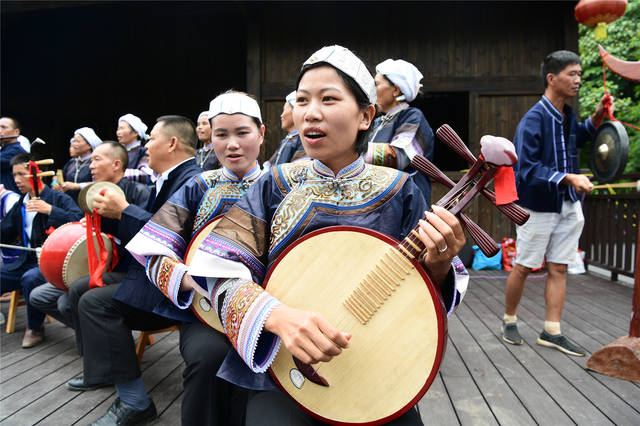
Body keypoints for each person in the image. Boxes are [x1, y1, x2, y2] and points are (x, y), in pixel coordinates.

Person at [186, 45, 469, 425]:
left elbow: (424, 298)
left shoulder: (399, 188)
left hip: (376, 367)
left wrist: (438, 264)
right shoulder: (274, 183)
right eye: (302, 100)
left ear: (366, 116)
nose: (310, 112)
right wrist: (277, 317)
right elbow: (218, 268)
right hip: (283, 370)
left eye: (328, 99)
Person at [127, 91, 265, 425]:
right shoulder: (198, 186)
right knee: (208, 357)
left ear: (261, 133)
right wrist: (193, 281)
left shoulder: (279, 185)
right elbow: (154, 251)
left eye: (242, 133)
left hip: (266, 308)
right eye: (221, 135)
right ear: (211, 139)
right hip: (204, 311)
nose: (231, 144)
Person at [72, 115, 202, 425]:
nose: (146, 147)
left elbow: (172, 238)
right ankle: (101, 369)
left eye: (151, 139)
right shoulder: (171, 178)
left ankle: (134, 401)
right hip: (150, 273)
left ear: (171, 143)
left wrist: (125, 210)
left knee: (95, 303)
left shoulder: (191, 180)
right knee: (80, 287)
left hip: (175, 285)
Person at [502, 50, 612, 357]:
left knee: (560, 268)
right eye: (572, 74)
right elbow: (527, 169)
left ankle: (552, 331)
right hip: (537, 206)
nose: (578, 80)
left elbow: (578, 137)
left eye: (579, 74)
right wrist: (569, 178)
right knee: (524, 266)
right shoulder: (533, 120)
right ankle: (509, 319)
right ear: (553, 79)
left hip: (568, 203)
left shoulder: (567, 115)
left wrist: (599, 116)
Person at [30, 140, 150, 332]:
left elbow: (144, 237)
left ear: (116, 164)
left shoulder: (139, 193)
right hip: (90, 268)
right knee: (38, 295)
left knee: (66, 304)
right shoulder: (91, 196)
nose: (91, 166)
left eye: (96, 160)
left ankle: (101, 336)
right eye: (90, 161)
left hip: (122, 270)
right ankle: (98, 334)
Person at [0, 153, 83, 348]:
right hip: (25, 260)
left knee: (31, 278)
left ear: (38, 174)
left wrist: (50, 210)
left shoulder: (57, 198)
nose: (17, 180)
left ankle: (35, 327)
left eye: (22, 174)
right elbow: (5, 231)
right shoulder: (22, 202)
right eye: (15, 175)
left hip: (49, 263)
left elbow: (78, 219)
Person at [364, 59, 435, 204]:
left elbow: (399, 156)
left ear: (395, 90)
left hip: (406, 203)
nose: (371, 90)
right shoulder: (376, 122)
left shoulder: (412, 116)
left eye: (376, 84)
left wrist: (348, 152)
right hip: (380, 203)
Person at [52, 127, 102, 200]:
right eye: (74, 141)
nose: (74, 144)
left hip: (89, 203)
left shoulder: (96, 162)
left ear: (89, 145)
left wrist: (77, 186)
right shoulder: (72, 162)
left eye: (77, 141)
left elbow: (100, 183)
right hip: (71, 203)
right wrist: (55, 183)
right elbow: (58, 176)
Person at [263, 90, 307, 169]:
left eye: (284, 110)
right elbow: (269, 167)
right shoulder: (287, 140)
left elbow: (298, 169)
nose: (281, 115)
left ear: (295, 111)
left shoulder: (303, 139)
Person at [117, 113, 154, 183]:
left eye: (122, 128)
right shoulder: (118, 151)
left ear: (135, 133)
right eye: (118, 129)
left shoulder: (143, 151)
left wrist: (117, 174)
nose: (118, 132)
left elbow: (146, 174)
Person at [0, 117, 27, 193]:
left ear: (16, 132)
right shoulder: (4, 150)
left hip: (11, 200)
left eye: (4, 127)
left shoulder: (16, 151)